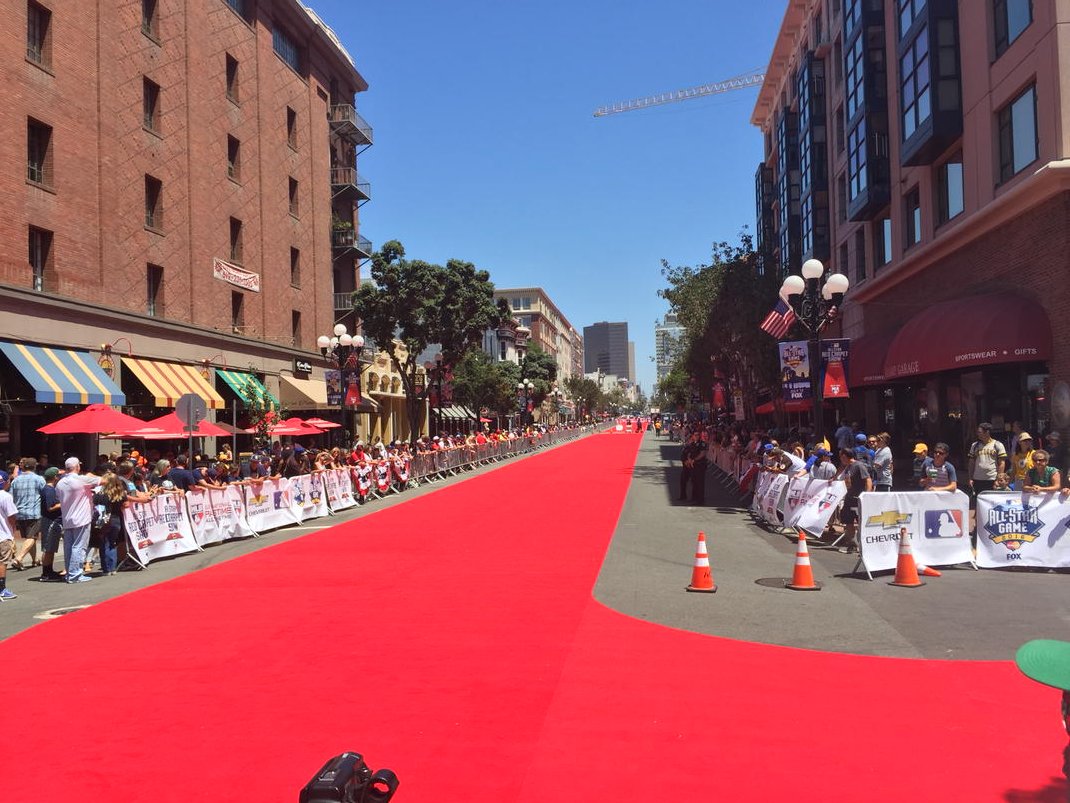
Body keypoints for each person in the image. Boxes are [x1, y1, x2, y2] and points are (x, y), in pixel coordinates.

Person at [55, 456, 100, 584]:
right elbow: (103, 481)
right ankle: (75, 574)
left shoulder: (60, 483)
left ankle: (70, 573)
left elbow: (59, 497)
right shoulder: (81, 480)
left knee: (69, 546)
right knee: (79, 546)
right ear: (77, 467)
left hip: (67, 518)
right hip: (81, 517)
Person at [10, 457, 45, 569]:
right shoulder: (39, 479)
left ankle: (34, 560)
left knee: (29, 537)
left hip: (19, 512)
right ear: (34, 467)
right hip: (34, 512)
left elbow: (11, 496)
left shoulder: (16, 480)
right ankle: (19, 558)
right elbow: (44, 495)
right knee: (32, 537)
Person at [837, 447, 871, 553]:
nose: (840, 459)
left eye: (841, 456)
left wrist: (867, 495)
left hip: (857, 499)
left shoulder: (859, 466)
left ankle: (863, 545)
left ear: (844, 456)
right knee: (848, 521)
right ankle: (851, 544)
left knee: (860, 521)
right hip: (849, 498)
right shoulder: (848, 467)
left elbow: (868, 480)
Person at [37, 467, 64, 581]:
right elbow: (50, 507)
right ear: (54, 477)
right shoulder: (48, 490)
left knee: (51, 548)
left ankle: (49, 570)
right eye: (58, 476)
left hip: (53, 521)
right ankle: (46, 573)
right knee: (48, 548)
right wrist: (63, 503)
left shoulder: (51, 489)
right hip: (50, 521)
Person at [967, 422, 1007, 498]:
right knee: (978, 502)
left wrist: (998, 479)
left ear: (987, 432)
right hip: (977, 479)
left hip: (992, 479)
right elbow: (971, 462)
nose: (978, 434)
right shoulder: (975, 446)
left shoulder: (997, 445)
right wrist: (970, 478)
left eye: (980, 432)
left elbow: (1001, 463)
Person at [0, 471, 19, 601]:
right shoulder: (6, 497)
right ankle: (1, 589)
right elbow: (11, 516)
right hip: (3, 534)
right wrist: (13, 531)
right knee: (2, 561)